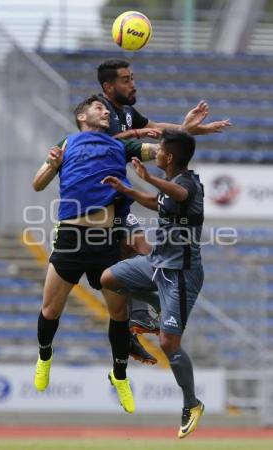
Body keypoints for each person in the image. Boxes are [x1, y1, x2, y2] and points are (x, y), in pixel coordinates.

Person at [32, 95, 161, 394]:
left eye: (106, 109)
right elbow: (37, 183)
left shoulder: (120, 145)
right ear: (81, 116)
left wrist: (183, 133)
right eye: (99, 108)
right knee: (50, 310)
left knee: (119, 314)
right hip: (71, 237)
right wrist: (52, 165)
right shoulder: (67, 143)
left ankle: (119, 375)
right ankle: (44, 356)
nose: (106, 111)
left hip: (106, 241)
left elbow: (157, 152)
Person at [96, 59, 230, 336]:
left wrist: (189, 130)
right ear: (108, 87)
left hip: (117, 198)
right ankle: (143, 312)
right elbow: (100, 142)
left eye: (132, 78)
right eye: (125, 80)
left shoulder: (127, 111)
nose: (133, 84)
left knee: (140, 251)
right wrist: (143, 137)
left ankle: (141, 315)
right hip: (97, 200)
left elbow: (156, 127)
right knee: (122, 260)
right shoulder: (99, 110)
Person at [101, 129, 205, 438]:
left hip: (181, 275)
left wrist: (147, 177)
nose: (155, 152)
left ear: (169, 158)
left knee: (168, 344)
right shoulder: (170, 185)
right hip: (156, 265)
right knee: (108, 279)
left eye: (159, 150)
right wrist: (127, 188)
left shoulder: (188, 184)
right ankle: (151, 312)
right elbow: (157, 201)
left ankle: (191, 403)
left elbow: (178, 196)